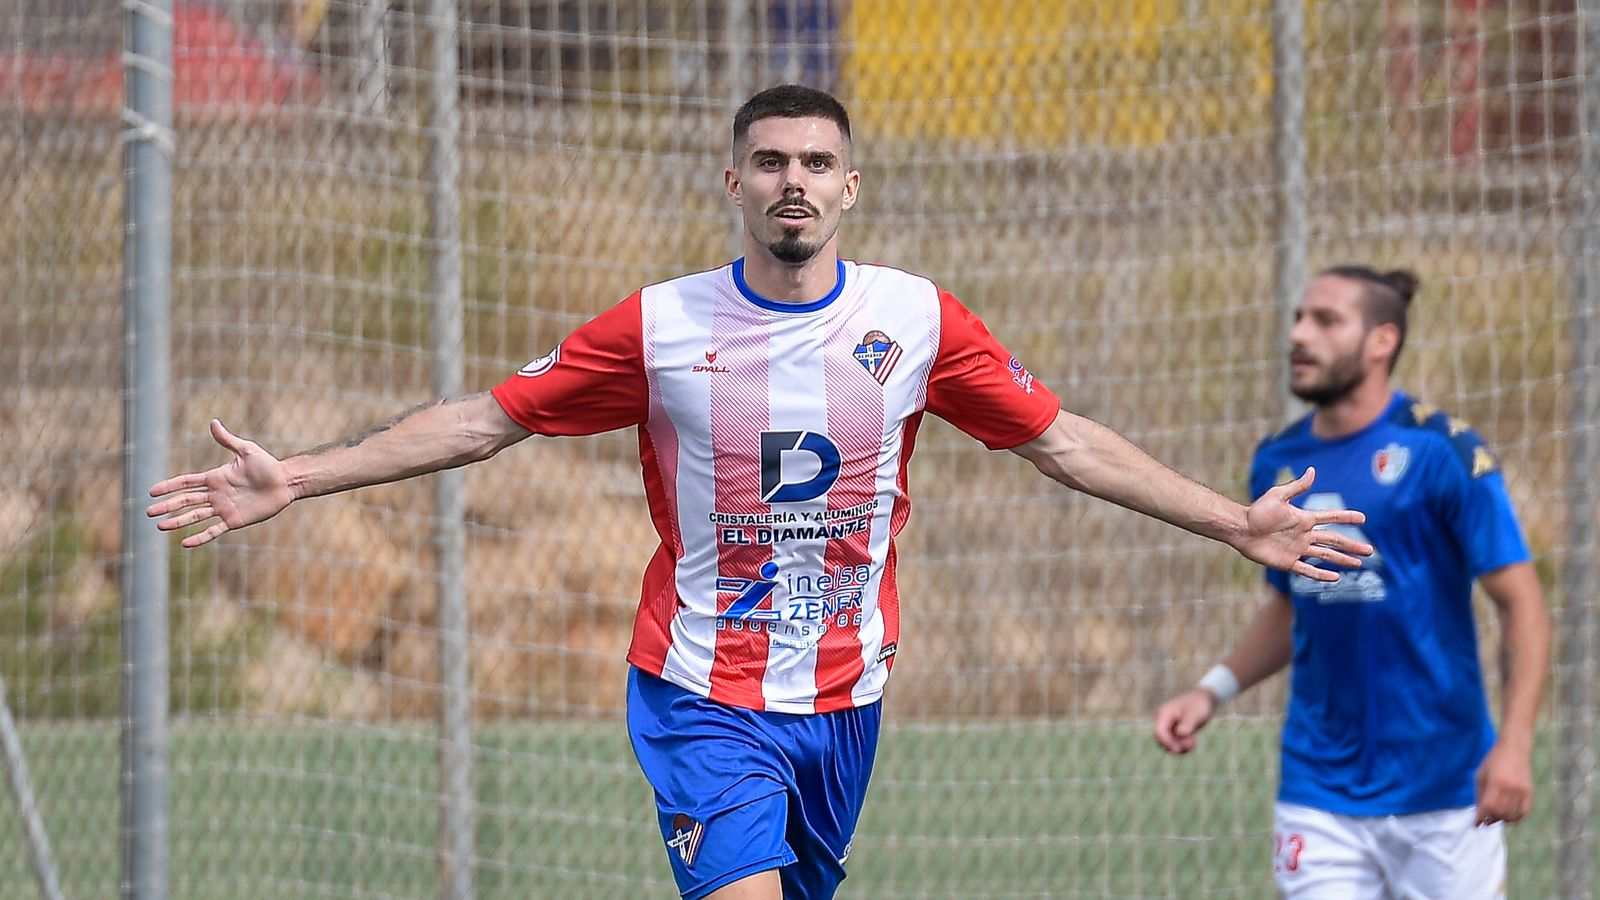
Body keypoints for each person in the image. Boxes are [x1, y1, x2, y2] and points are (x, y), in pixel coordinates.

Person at [149, 85, 1370, 900]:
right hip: (698, 693)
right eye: (772, 161)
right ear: (730, 180)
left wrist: (1229, 518)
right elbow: (485, 420)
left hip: (844, 698)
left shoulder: (916, 320)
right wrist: (299, 476)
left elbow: (1064, 443)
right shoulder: (658, 325)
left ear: (852, 187)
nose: (795, 179)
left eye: (817, 163)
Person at [1153, 266, 1551, 898]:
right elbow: (1292, 608)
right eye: (1298, 318)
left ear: (1381, 342)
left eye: (1325, 320)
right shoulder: (1276, 461)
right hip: (1320, 789)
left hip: (1445, 790)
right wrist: (1211, 691)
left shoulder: (1442, 450)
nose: (1299, 335)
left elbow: (1522, 604)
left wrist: (1515, 745)